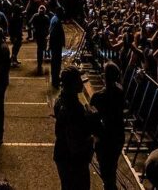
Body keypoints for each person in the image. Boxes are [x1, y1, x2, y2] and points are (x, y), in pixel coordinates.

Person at [53, 66, 95, 189]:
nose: (81, 82)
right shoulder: (74, 108)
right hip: (72, 159)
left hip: (62, 153)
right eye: (78, 79)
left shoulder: (60, 100)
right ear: (72, 84)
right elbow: (77, 138)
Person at [90, 61, 125, 190]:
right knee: (112, 165)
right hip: (118, 134)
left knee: (105, 168)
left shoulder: (99, 96)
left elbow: (93, 117)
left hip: (104, 136)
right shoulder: (120, 91)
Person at [30, 5, 51, 75]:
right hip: (44, 34)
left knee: (39, 48)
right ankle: (42, 59)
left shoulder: (35, 16)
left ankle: (40, 62)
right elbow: (49, 26)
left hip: (38, 34)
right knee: (43, 47)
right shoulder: (46, 17)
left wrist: (33, 28)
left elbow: (29, 23)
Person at [49, 8, 66, 89]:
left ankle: (55, 78)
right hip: (56, 45)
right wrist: (62, 42)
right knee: (56, 63)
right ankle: (55, 80)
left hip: (54, 44)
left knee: (54, 62)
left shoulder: (54, 18)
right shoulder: (57, 21)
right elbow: (56, 34)